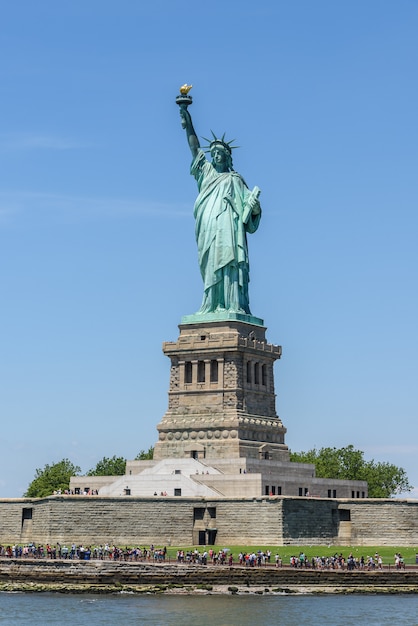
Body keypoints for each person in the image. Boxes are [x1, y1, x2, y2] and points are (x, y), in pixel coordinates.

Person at [179, 107, 261, 315]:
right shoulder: (205, 173)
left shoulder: (235, 180)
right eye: (213, 153)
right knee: (210, 263)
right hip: (208, 227)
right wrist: (187, 118)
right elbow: (194, 147)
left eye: (219, 153)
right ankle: (211, 304)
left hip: (229, 229)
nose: (215, 156)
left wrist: (255, 207)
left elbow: (249, 213)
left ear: (226, 157)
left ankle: (234, 304)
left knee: (230, 262)